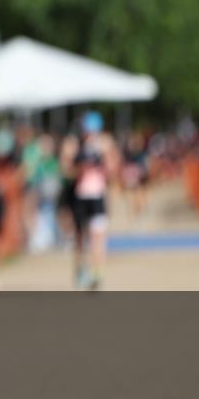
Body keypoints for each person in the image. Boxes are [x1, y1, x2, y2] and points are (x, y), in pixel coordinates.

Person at [66, 111, 119, 290]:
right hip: (79, 196)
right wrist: (79, 168)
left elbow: (113, 170)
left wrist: (104, 159)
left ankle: (97, 272)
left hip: (97, 196)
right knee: (80, 237)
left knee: (98, 237)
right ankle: (81, 269)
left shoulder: (104, 144)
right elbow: (66, 169)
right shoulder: (74, 144)